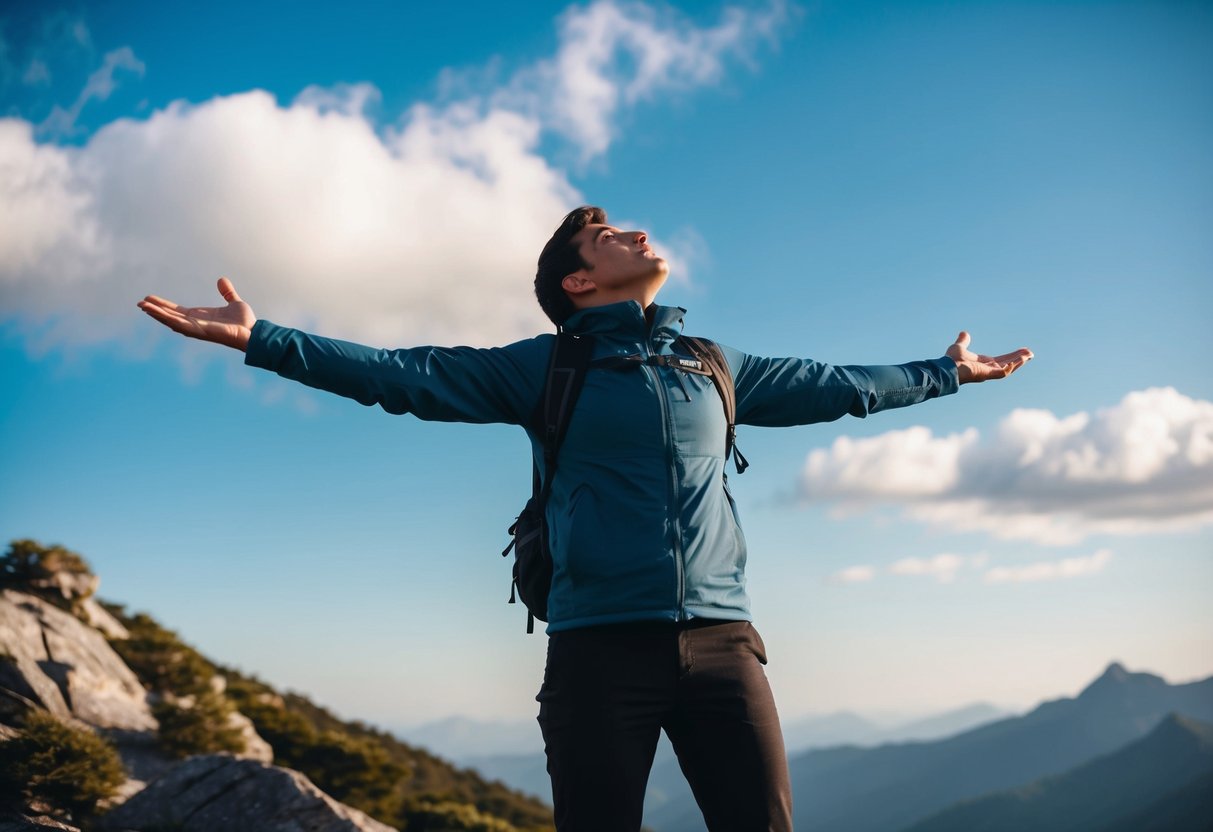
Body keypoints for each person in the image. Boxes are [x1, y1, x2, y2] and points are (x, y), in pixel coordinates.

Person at [138, 205, 1032, 831]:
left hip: (724, 646)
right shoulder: (544, 367)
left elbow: (842, 389)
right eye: (606, 236)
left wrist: (949, 372)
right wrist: (262, 338)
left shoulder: (713, 361)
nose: (635, 233)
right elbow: (401, 374)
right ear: (577, 279)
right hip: (599, 648)